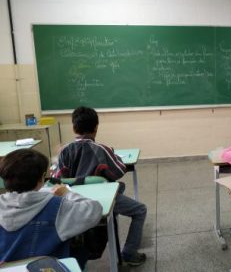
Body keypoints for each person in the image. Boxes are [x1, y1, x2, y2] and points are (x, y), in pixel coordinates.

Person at [52, 106, 147, 266]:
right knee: (140, 210)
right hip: (103, 201)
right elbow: (119, 171)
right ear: (96, 127)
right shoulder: (102, 149)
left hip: (73, 202)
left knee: (122, 192)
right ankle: (129, 253)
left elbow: (56, 178)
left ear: (74, 127)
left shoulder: (64, 151)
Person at [0, 149, 102, 265]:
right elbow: (95, 210)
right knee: (81, 251)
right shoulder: (57, 206)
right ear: (41, 178)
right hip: (47, 267)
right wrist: (67, 193)